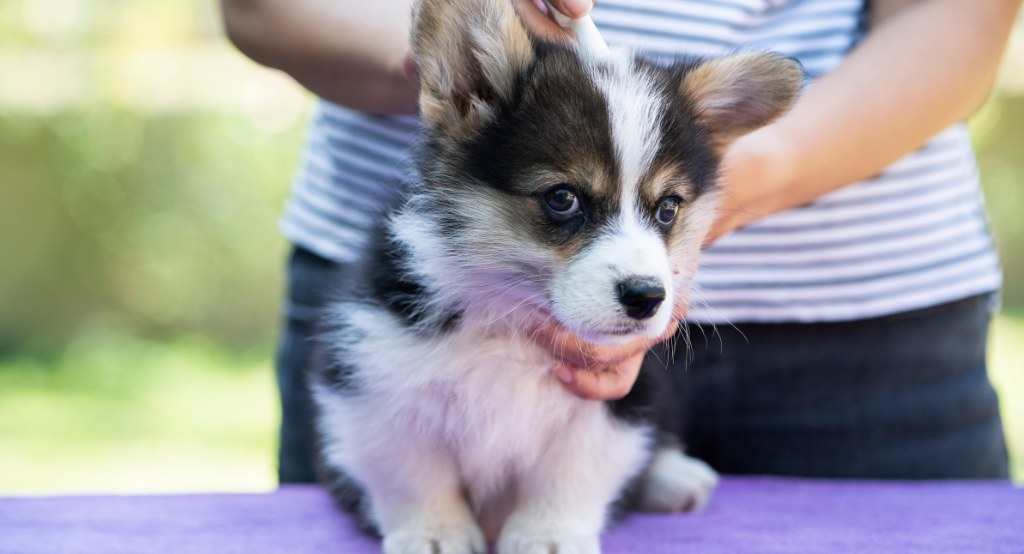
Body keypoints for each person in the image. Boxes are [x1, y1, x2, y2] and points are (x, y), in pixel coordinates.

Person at [222, 0, 1021, 483]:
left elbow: (959, 18)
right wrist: (469, 56)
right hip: (429, 316)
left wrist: (715, 177)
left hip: (868, 341)